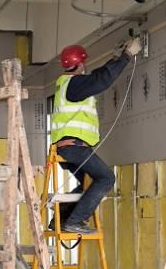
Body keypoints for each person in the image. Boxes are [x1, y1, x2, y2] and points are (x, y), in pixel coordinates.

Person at [50, 37, 142, 235]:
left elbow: (96, 76)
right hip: (74, 148)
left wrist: (115, 58)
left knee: (88, 184)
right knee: (106, 178)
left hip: (66, 148)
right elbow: (101, 80)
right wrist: (127, 56)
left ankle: (60, 218)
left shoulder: (67, 84)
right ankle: (75, 221)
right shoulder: (75, 85)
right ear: (80, 64)